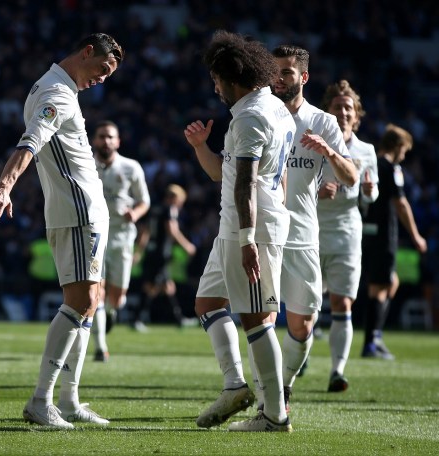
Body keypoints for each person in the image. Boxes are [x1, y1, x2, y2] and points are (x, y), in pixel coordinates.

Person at [0, 33, 124, 429]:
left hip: (86, 213)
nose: (102, 78)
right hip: (78, 213)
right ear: (87, 52)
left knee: (90, 301)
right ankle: (41, 400)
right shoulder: (56, 93)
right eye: (102, 69)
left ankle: (69, 399)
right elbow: (31, 141)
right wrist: (5, 184)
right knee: (78, 302)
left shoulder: (54, 87)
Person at [184, 30, 296, 432]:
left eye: (217, 80)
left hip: (250, 229)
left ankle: (274, 415)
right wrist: (201, 148)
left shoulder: (250, 116)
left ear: (233, 78)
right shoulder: (273, 108)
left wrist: (250, 239)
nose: (215, 88)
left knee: (257, 319)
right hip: (235, 224)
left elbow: (246, 182)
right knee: (207, 302)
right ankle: (234, 386)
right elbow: (227, 173)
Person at [263, 45, 357, 411]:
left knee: (302, 326)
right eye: (275, 71)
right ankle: (269, 395)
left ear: (303, 77)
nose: (278, 78)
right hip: (265, 232)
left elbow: (350, 178)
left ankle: (284, 383)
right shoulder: (261, 116)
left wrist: (329, 152)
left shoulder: (323, 122)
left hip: (302, 236)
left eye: (286, 72)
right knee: (264, 319)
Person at [317, 80, 379, 391]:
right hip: (311, 231)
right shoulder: (311, 143)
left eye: (348, 108)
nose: (343, 112)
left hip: (346, 233)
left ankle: (337, 372)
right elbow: (292, 184)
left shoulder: (366, 151)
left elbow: (371, 194)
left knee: (343, 303)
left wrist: (369, 193)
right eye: (337, 107)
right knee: (306, 305)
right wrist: (316, 191)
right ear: (327, 112)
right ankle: (294, 362)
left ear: (356, 115)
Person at [361, 124, 427, 358]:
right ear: (399, 146)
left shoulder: (370, 162)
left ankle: (373, 337)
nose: (404, 155)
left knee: (387, 283)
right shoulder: (391, 168)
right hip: (383, 234)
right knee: (382, 286)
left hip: (364, 231)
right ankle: (372, 341)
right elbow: (401, 203)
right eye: (405, 151)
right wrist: (416, 235)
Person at [91, 120, 150, 362]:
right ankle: (100, 347)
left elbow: (144, 201)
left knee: (118, 297)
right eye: (102, 136)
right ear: (95, 140)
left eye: (110, 137)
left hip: (122, 235)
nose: (106, 141)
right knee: (97, 291)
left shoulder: (131, 167)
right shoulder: (85, 165)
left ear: (118, 142)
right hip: (94, 234)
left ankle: (112, 313)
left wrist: (134, 214)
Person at [130, 184, 195, 332]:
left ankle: (179, 319)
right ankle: (137, 319)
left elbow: (144, 232)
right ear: (173, 198)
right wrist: (187, 246)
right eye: (179, 201)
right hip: (161, 253)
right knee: (151, 287)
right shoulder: (169, 210)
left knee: (167, 286)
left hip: (152, 252)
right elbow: (172, 230)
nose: (180, 204)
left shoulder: (154, 209)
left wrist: (140, 251)